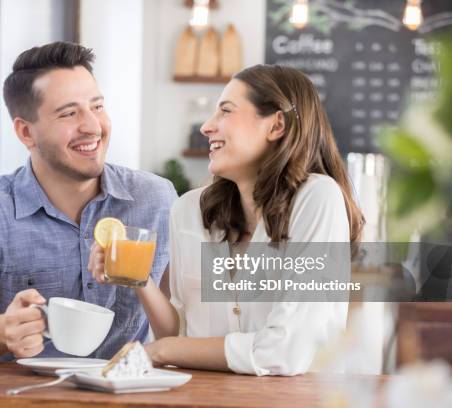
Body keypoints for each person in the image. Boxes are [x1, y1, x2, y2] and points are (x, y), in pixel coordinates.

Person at [89, 64, 364, 375]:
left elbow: (286, 350)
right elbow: (180, 335)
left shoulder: (317, 199)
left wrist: (162, 350)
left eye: (225, 111)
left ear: (276, 126)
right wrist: (138, 279)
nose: (207, 127)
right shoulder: (189, 211)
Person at [0, 42, 177, 362]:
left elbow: (181, 323)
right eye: (69, 113)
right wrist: (3, 330)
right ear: (26, 132)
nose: (92, 126)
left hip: (128, 392)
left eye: (97, 106)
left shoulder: (155, 199)